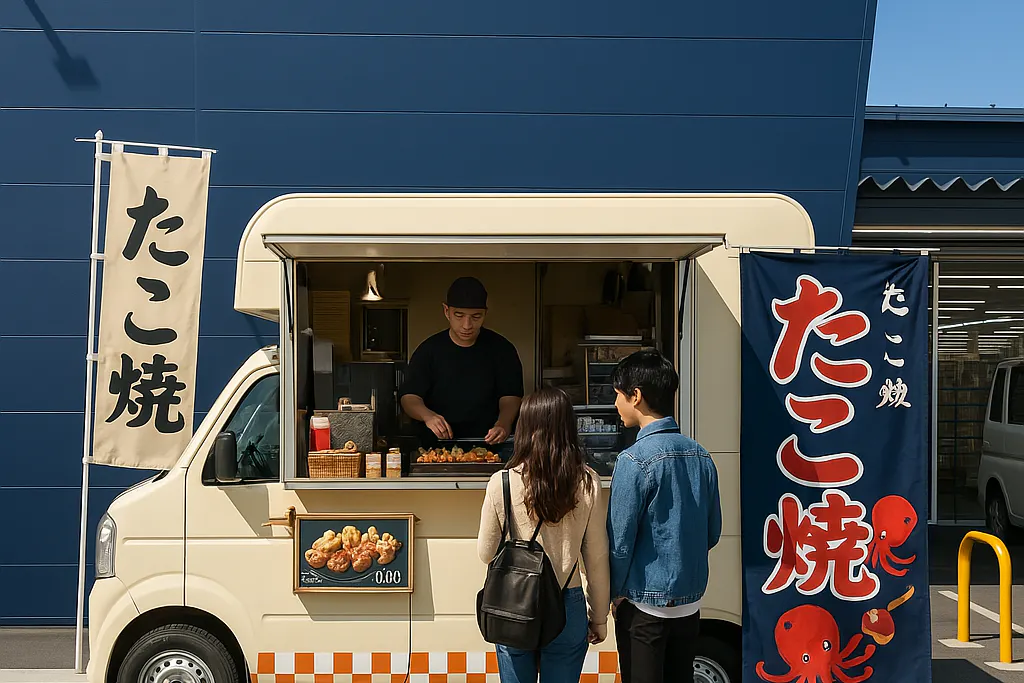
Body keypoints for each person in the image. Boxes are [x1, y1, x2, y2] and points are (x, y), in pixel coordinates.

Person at [477, 387, 610, 683]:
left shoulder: (502, 482)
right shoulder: (587, 481)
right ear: (567, 427)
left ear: (524, 426)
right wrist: (599, 616)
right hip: (568, 603)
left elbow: (486, 554)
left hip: (514, 603)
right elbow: (597, 557)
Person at [606, 349, 722, 683]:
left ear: (636, 396)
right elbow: (712, 532)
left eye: (618, 394)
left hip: (643, 606)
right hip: (690, 603)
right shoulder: (701, 455)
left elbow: (620, 542)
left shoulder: (634, 460)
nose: (615, 403)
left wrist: (614, 593)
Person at [400, 276, 524, 445]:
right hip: (436, 445)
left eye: (476, 316)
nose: (467, 325)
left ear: (485, 314)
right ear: (446, 311)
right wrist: (428, 416)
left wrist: (503, 424)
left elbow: (510, 396)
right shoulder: (428, 351)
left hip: (491, 443)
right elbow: (409, 397)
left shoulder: (502, 349)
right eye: (459, 315)